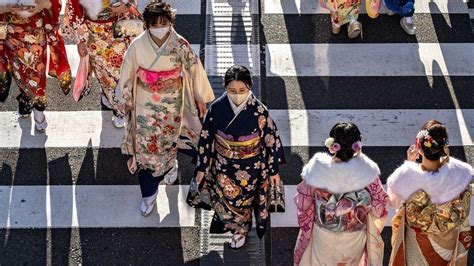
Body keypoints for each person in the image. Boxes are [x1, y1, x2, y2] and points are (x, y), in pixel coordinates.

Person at [114, 1, 215, 217]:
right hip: (144, 103)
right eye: (155, 23)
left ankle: (170, 167)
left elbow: (194, 69)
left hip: (172, 102)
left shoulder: (180, 44)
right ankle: (148, 195)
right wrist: (126, 97)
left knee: (170, 139)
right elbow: (127, 72)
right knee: (148, 149)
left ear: (170, 22)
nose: (160, 27)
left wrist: (200, 98)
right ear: (147, 24)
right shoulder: (137, 45)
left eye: (164, 22)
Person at [192, 65, 285, 250]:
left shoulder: (259, 111)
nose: (237, 94)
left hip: (251, 166)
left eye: (242, 90)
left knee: (245, 199)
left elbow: (270, 141)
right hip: (223, 165)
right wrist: (202, 168)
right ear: (225, 88)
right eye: (231, 90)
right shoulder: (217, 109)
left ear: (250, 87)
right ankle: (228, 223)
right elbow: (206, 138)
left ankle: (240, 230)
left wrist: (273, 171)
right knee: (223, 195)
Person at [293, 122, 388, 266]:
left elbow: (303, 204)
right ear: (357, 145)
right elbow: (379, 205)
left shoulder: (317, 169)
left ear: (332, 145)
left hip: (324, 235)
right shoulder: (368, 172)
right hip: (353, 237)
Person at [387, 120, 472, 265]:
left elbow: (394, 202)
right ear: (444, 148)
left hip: (416, 241)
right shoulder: (459, 173)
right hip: (447, 242)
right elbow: (463, 205)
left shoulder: (406, 176)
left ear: (419, 148)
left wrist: (409, 165)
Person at [64, 0, 141, 128]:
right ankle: (113, 102)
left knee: (120, 70)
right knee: (103, 72)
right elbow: (73, 6)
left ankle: (118, 107)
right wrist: (80, 40)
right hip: (94, 30)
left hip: (120, 25)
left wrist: (127, 5)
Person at [0, 0, 71, 132]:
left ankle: (39, 109)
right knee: (19, 73)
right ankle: (25, 101)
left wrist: (45, 4)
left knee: (37, 75)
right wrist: (4, 7)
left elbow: (55, 2)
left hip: (35, 32)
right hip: (11, 33)